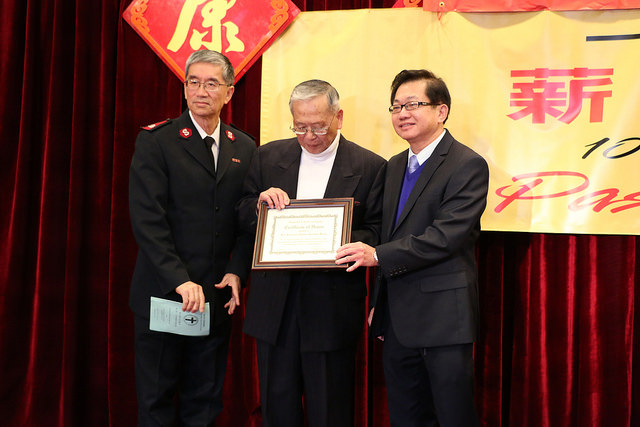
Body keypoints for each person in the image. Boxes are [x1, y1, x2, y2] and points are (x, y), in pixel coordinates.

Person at [336, 69, 489, 426]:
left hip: (443, 319)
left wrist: (375, 256)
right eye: (396, 107)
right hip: (398, 320)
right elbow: (387, 232)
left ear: (441, 111)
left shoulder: (467, 165)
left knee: (453, 415)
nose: (402, 113)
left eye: (413, 104)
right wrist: (379, 302)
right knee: (407, 415)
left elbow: (445, 237)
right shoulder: (393, 166)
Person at [237, 79, 386, 427]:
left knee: (330, 410)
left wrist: (333, 237)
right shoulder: (268, 156)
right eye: (300, 127)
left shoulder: (369, 166)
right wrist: (259, 206)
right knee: (278, 408)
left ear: (339, 117)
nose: (310, 136)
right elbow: (241, 212)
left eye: (318, 126)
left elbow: (377, 231)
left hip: (331, 307)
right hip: (275, 307)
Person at [128, 50, 256, 426]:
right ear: (185, 89)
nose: (201, 90)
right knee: (156, 401)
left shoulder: (244, 147)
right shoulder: (158, 141)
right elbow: (148, 220)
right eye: (194, 82)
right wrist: (179, 279)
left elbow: (247, 220)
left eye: (212, 83)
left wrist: (237, 271)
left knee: (205, 401)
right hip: (164, 294)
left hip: (215, 297)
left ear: (229, 93)